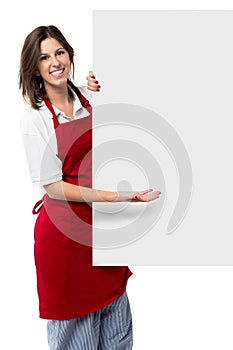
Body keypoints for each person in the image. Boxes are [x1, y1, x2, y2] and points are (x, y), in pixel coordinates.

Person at [19, 25, 161, 350]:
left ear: (69, 54)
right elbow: (53, 187)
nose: (55, 62)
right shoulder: (35, 119)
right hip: (65, 241)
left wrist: (109, 76)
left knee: (117, 337)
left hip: (104, 234)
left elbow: (139, 97)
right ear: (34, 68)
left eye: (59, 52)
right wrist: (116, 196)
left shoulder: (92, 97)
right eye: (44, 57)